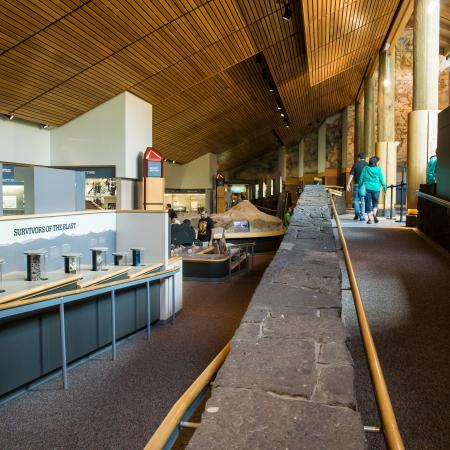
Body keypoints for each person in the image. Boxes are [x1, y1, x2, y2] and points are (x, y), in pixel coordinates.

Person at [359, 156, 387, 224]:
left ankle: (369, 219)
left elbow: (361, 178)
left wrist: (360, 185)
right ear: (376, 162)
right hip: (376, 188)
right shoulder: (378, 169)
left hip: (367, 188)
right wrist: (384, 187)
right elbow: (381, 179)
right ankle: (374, 214)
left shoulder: (365, 168)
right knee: (375, 202)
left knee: (368, 203)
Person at [347, 152, 368, 221]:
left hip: (356, 184)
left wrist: (348, 184)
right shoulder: (367, 165)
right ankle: (362, 216)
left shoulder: (355, 164)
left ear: (358, 158)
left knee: (356, 199)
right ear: (365, 158)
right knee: (363, 199)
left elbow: (351, 175)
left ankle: (356, 214)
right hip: (364, 185)